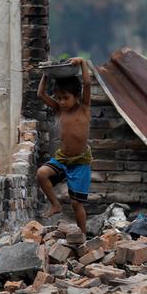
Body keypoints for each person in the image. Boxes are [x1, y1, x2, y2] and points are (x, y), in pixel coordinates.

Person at [36, 57, 93, 234]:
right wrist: (46, 74)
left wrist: (83, 63)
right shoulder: (59, 109)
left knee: (77, 203)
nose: (62, 102)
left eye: (66, 98)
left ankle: (82, 234)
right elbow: (40, 94)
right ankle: (55, 204)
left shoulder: (84, 108)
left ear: (76, 97)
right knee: (41, 174)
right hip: (62, 158)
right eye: (59, 98)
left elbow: (87, 83)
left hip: (80, 162)